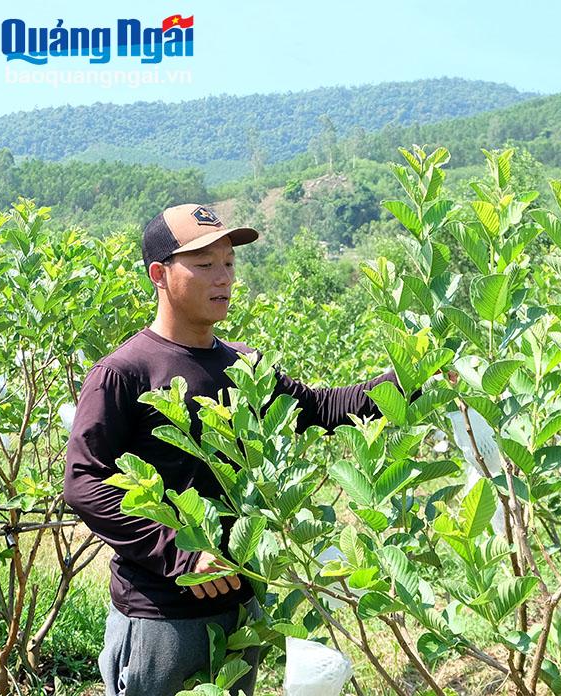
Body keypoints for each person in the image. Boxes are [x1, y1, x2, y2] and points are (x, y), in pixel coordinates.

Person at [63, 203, 420, 696]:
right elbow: (82, 482)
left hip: (239, 607)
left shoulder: (243, 366)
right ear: (159, 274)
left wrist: (408, 380)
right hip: (161, 613)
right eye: (204, 264)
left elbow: (319, 408)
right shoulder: (125, 372)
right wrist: (183, 554)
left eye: (229, 263)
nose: (223, 278)